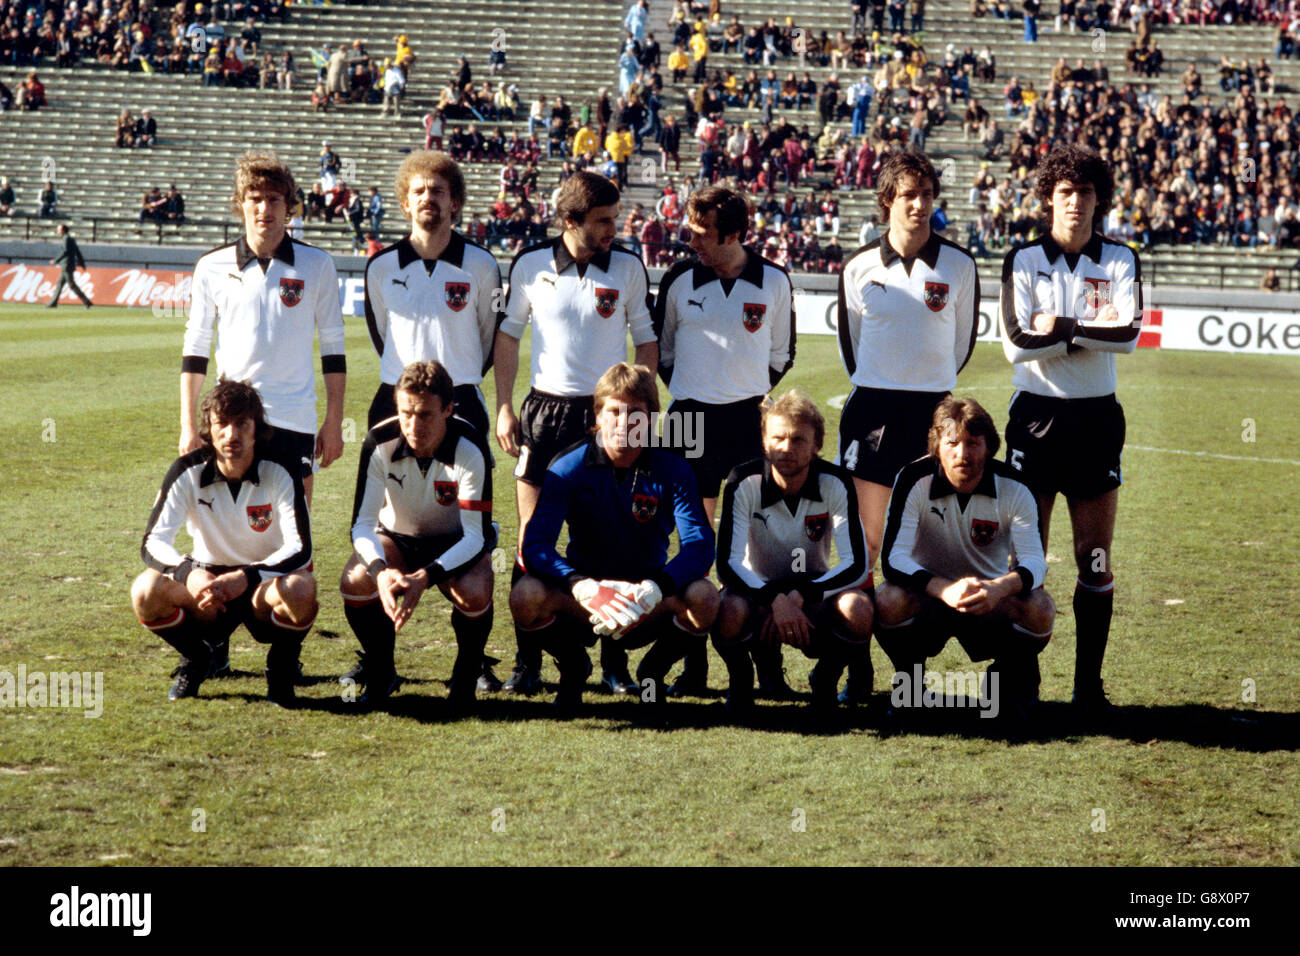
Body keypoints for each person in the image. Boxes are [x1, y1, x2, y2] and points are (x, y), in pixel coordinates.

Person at [494, 171, 658, 696]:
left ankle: (614, 661)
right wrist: (504, 406)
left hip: (608, 417)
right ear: (570, 220)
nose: (614, 228)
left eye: (615, 219)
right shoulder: (530, 264)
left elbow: (647, 341)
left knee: (615, 534)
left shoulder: (628, 267)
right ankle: (528, 661)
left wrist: (636, 407)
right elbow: (508, 337)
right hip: (545, 413)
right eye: (603, 220)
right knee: (529, 539)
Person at [999, 143, 1140, 718]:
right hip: (1035, 418)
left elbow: (1128, 335)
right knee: (1025, 557)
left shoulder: (1121, 258)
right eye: (1065, 192)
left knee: (1095, 557)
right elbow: (1015, 343)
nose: (1075, 202)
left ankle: (1088, 688)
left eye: (1085, 192)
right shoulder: (1023, 259)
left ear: (1099, 199)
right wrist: (1088, 328)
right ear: (1048, 199)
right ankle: (1022, 684)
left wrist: (1057, 326)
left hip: (1096, 420)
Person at [835, 148, 979, 704]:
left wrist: (928, 392)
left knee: (919, 541)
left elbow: (961, 345)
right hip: (873, 413)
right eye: (908, 195)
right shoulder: (858, 267)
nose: (919, 205)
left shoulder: (959, 266)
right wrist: (885, 382)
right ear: (887, 201)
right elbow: (852, 346)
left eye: (927, 195)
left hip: (933, 415)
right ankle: (856, 669)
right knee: (867, 542)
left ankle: (909, 673)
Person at [363, 151, 505, 692]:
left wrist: (453, 384)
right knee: (386, 523)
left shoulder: (482, 265)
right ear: (405, 202)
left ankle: (474, 657)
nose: (428, 199)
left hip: (460, 396)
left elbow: (489, 337)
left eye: (438, 191)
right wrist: (410, 389)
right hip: (394, 398)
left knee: (467, 520)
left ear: (455, 202)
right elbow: (380, 333)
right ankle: (378, 658)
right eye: (419, 191)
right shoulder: (381, 267)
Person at [510, 362, 717, 715]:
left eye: (635, 414)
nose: (624, 423)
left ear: (651, 419)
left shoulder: (674, 467)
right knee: (525, 596)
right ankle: (574, 667)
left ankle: (652, 672)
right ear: (597, 416)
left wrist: (656, 587)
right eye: (615, 412)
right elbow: (536, 545)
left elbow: (699, 545)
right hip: (586, 599)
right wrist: (580, 585)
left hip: (645, 597)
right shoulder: (567, 467)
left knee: (705, 597)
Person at [653, 185, 795, 698]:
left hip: (747, 422)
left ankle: (768, 671)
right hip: (688, 418)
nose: (691, 241)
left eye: (702, 233)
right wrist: (698, 391)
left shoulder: (774, 280)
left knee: (758, 544)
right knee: (690, 542)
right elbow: (664, 352)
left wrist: (741, 394)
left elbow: (782, 353)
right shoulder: (678, 279)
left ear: (733, 234)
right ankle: (692, 668)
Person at [131, 379, 316, 706]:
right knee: (145, 591)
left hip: (261, 585)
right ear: (209, 429)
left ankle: (281, 667)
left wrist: (247, 576)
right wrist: (188, 573)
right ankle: (196, 659)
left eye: (242, 423)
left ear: (256, 428)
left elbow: (300, 547)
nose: (232, 434)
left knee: (301, 590)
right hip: (208, 587)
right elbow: (153, 541)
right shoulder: (186, 471)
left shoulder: (282, 468)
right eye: (222, 423)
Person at [877, 397, 1054, 725]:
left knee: (1040, 608)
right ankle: (910, 684)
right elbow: (892, 559)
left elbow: (1035, 562)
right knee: (888, 599)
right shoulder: (913, 478)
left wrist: (998, 588)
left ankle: (1005, 685)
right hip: (929, 598)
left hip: (988, 601)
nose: (963, 454)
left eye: (973, 443)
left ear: (989, 447)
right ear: (937, 447)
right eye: (952, 443)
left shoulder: (1016, 486)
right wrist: (943, 589)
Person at [340, 361, 495, 710]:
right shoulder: (379, 441)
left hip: (456, 540)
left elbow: (476, 535)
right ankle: (382, 670)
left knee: (474, 590)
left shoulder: (470, 446)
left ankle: (466, 676)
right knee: (356, 581)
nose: (413, 425)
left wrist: (425, 576)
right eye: (406, 413)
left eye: (425, 415)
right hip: (397, 538)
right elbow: (361, 524)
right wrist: (381, 572)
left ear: (448, 409)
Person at [713, 390, 872, 714]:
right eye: (778, 438)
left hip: (811, 597)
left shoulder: (836, 482)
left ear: (816, 445)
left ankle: (825, 678)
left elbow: (857, 563)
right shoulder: (742, 480)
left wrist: (801, 596)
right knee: (728, 610)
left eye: (798, 440)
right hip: (757, 595)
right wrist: (774, 599)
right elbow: (727, 565)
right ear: (764, 441)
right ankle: (742, 680)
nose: (786, 448)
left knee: (857, 609)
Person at [47, 224, 92, 308]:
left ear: (63, 231)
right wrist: (82, 263)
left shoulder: (66, 239)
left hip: (66, 265)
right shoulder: (71, 239)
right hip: (70, 264)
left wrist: (55, 260)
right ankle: (53, 303)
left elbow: (65, 251)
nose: (58, 232)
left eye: (59, 230)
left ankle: (86, 302)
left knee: (71, 285)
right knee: (60, 284)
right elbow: (77, 251)